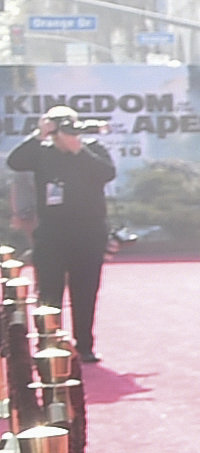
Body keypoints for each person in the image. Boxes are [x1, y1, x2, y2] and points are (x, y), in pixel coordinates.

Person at [10, 107, 116, 355]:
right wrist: (40, 134)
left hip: (89, 231)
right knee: (48, 289)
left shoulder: (92, 149)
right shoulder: (42, 152)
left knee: (86, 289)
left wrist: (77, 148)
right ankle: (48, 340)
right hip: (52, 232)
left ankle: (85, 345)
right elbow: (15, 162)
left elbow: (107, 173)